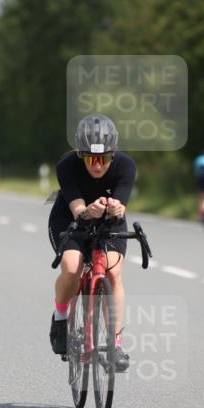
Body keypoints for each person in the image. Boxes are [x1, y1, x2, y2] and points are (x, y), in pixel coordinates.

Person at [48, 114, 135, 372]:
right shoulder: (67, 166)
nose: (97, 166)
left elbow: (121, 204)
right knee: (73, 267)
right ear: (80, 155)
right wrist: (88, 211)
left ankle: (115, 343)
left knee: (114, 271)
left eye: (104, 159)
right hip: (70, 219)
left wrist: (116, 209)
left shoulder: (126, 166)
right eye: (91, 158)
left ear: (113, 154)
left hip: (109, 220)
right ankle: (61, 317)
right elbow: (77, 210)